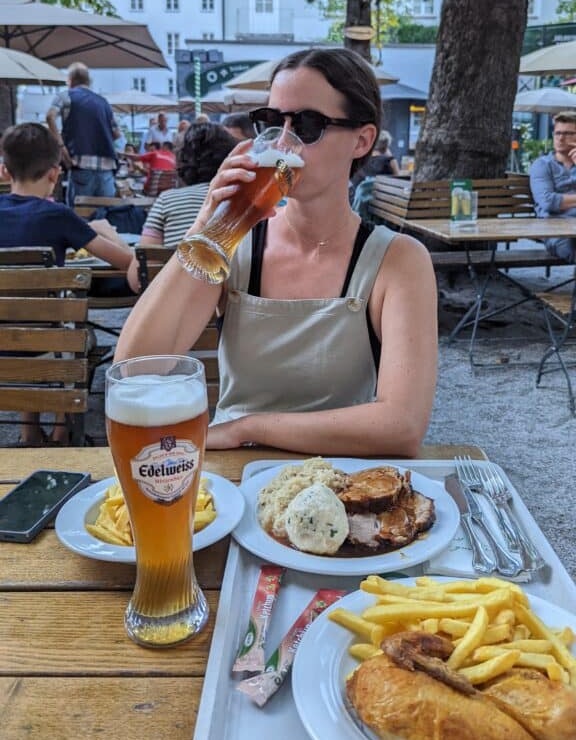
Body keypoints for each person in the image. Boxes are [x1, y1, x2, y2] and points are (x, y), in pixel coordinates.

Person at [116, 48, 437, 458]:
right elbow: (136, 370)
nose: (284, 141)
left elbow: (402, 426)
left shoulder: (398, 260)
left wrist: (248, 428)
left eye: (306, 124)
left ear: (362, 140)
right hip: (232, 487)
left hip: (342, 485)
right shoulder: (236, 247)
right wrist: (205, 227)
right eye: (271, 121)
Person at [0, 123, 139, 444]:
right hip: (48, 349)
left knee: (30, 318)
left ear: (5, 171)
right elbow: (130, 263)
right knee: (68, 332)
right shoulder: (59, 216)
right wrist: (106, 231)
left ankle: (29, 431)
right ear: (54, 173)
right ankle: (63, 430)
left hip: (6, 341)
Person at [46, 62, 120, 204]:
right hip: (107, 169)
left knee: (80, 218)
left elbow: (50, 116)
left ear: (70, 80)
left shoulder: (65, 96)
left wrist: (61, 147)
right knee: (104, 217)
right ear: (89, 81)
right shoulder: (104, 102)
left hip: (81, 165)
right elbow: (116, 134)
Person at [530, 111, 576, 263]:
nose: (561, 138)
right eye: (557, 133)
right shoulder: (542, 165)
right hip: (556, 230)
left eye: (568, 133)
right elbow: (548, 201)